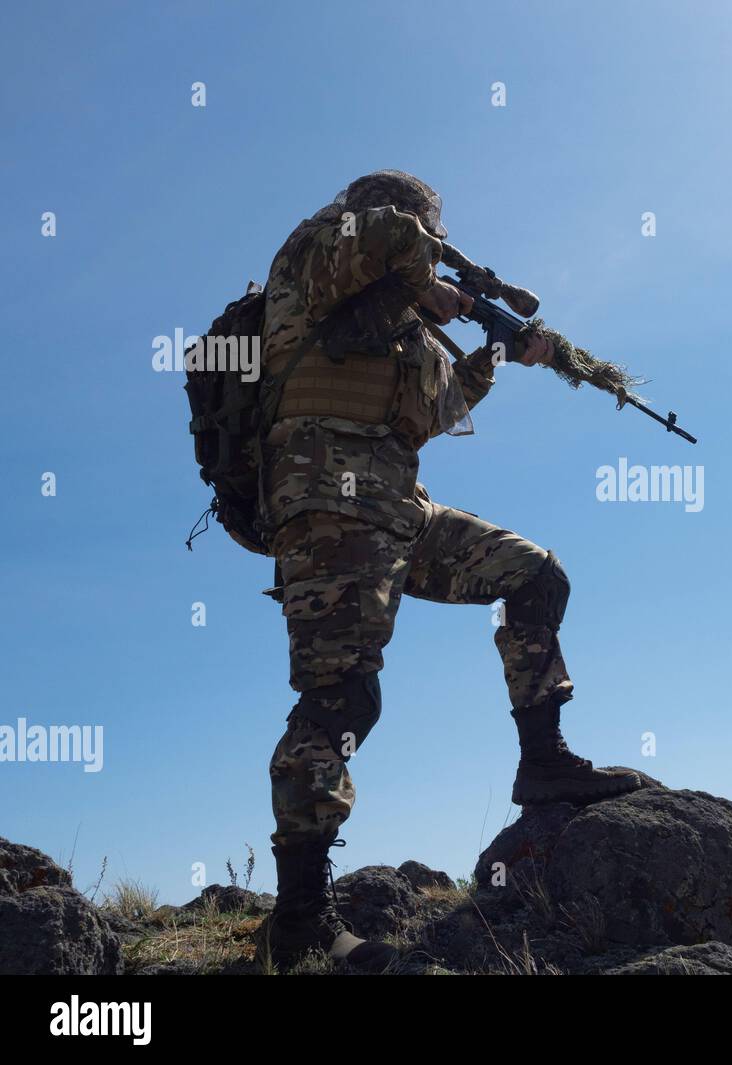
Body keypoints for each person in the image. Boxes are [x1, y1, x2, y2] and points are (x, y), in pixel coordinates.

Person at [253, 170, 640, 971]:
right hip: (326, 498)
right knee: (341, 697)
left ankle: (543, 763)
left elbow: (437, 411)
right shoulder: (314, 255)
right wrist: (445, 281)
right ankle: (300, 923)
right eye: (431, 229)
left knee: (536, 576)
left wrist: (495, 347)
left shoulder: (402, 324)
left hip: (401, 504)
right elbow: (388, 240)